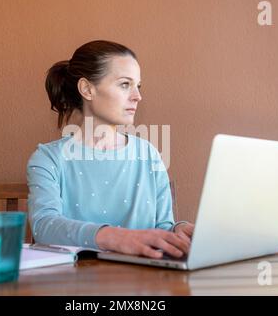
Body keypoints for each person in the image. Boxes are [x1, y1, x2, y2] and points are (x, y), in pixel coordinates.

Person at [27, 40, 194, 259]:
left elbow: (162, 225)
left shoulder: (149, 153)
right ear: (87, 89)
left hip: (145, 283)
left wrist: (177, 231)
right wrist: (116, 237)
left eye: (138, 86)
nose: (137, 96)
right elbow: (44, 227)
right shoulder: (48, 159)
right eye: (125, 84)